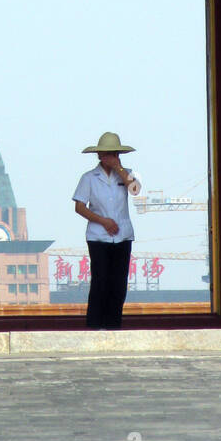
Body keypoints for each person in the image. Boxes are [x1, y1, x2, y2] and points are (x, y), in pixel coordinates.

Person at [72, 132, 141, 329]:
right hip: (98, 236)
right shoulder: (89, 178)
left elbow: (135, 190)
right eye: (106, 154)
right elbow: (79, 207)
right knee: (100, 281)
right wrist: (103, 221)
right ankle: (94, 325)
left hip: (123, 236)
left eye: (114, 153)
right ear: (99, 155)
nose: (109, 157)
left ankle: (113, 325)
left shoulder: (127, 173)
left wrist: (119, 169)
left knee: (119, 283)